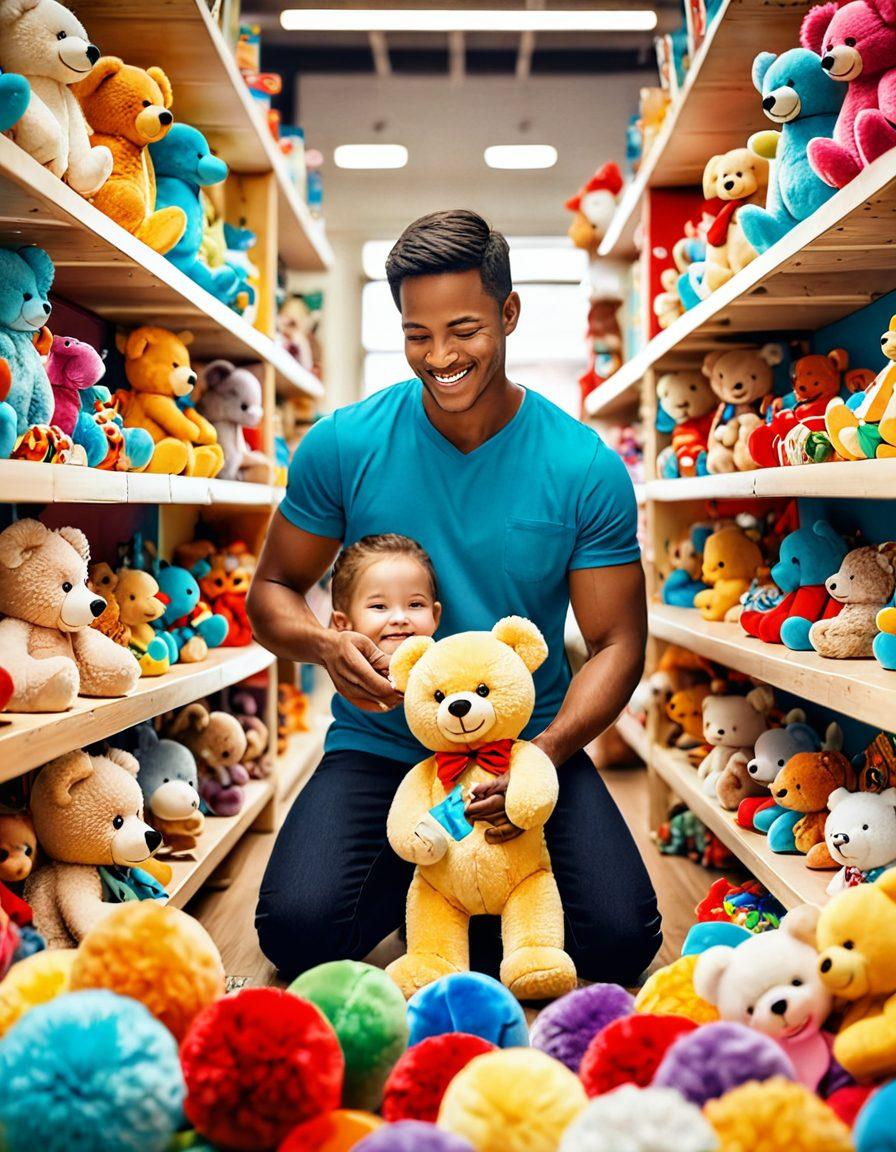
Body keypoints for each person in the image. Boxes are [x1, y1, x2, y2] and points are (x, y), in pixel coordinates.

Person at [248, 208, 662, 984]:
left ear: (508, 313)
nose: (440, 357)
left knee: (618, 940)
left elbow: (618, 644)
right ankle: (453, 900)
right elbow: (270, 589)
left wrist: (542, 758)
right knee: (297, 930)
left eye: (464, 329)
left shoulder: (581, 465)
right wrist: (323, 645)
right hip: (382, 748)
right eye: (417, 334)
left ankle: (460, 910)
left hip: (528, 745)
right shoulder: (343, 445)